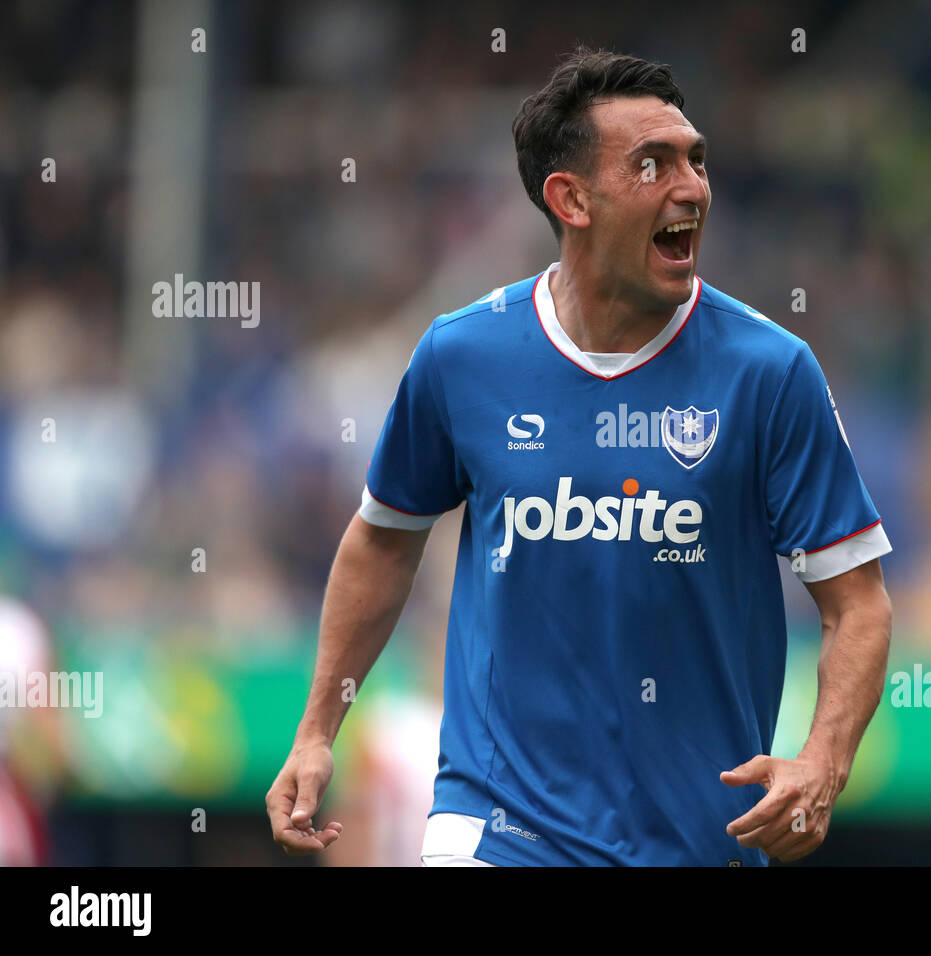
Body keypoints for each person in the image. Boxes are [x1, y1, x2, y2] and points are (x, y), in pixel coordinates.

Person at [267, 46, 894, 866]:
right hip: (498, 823)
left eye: (696, 161)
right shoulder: (463, 356)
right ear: (572, 199)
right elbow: (384, 538)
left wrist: (822, 765)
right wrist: (317, 730)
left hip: (699, 836)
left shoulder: (770, 373)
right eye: (652, 164)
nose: (693, 188)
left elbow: (859, 605)